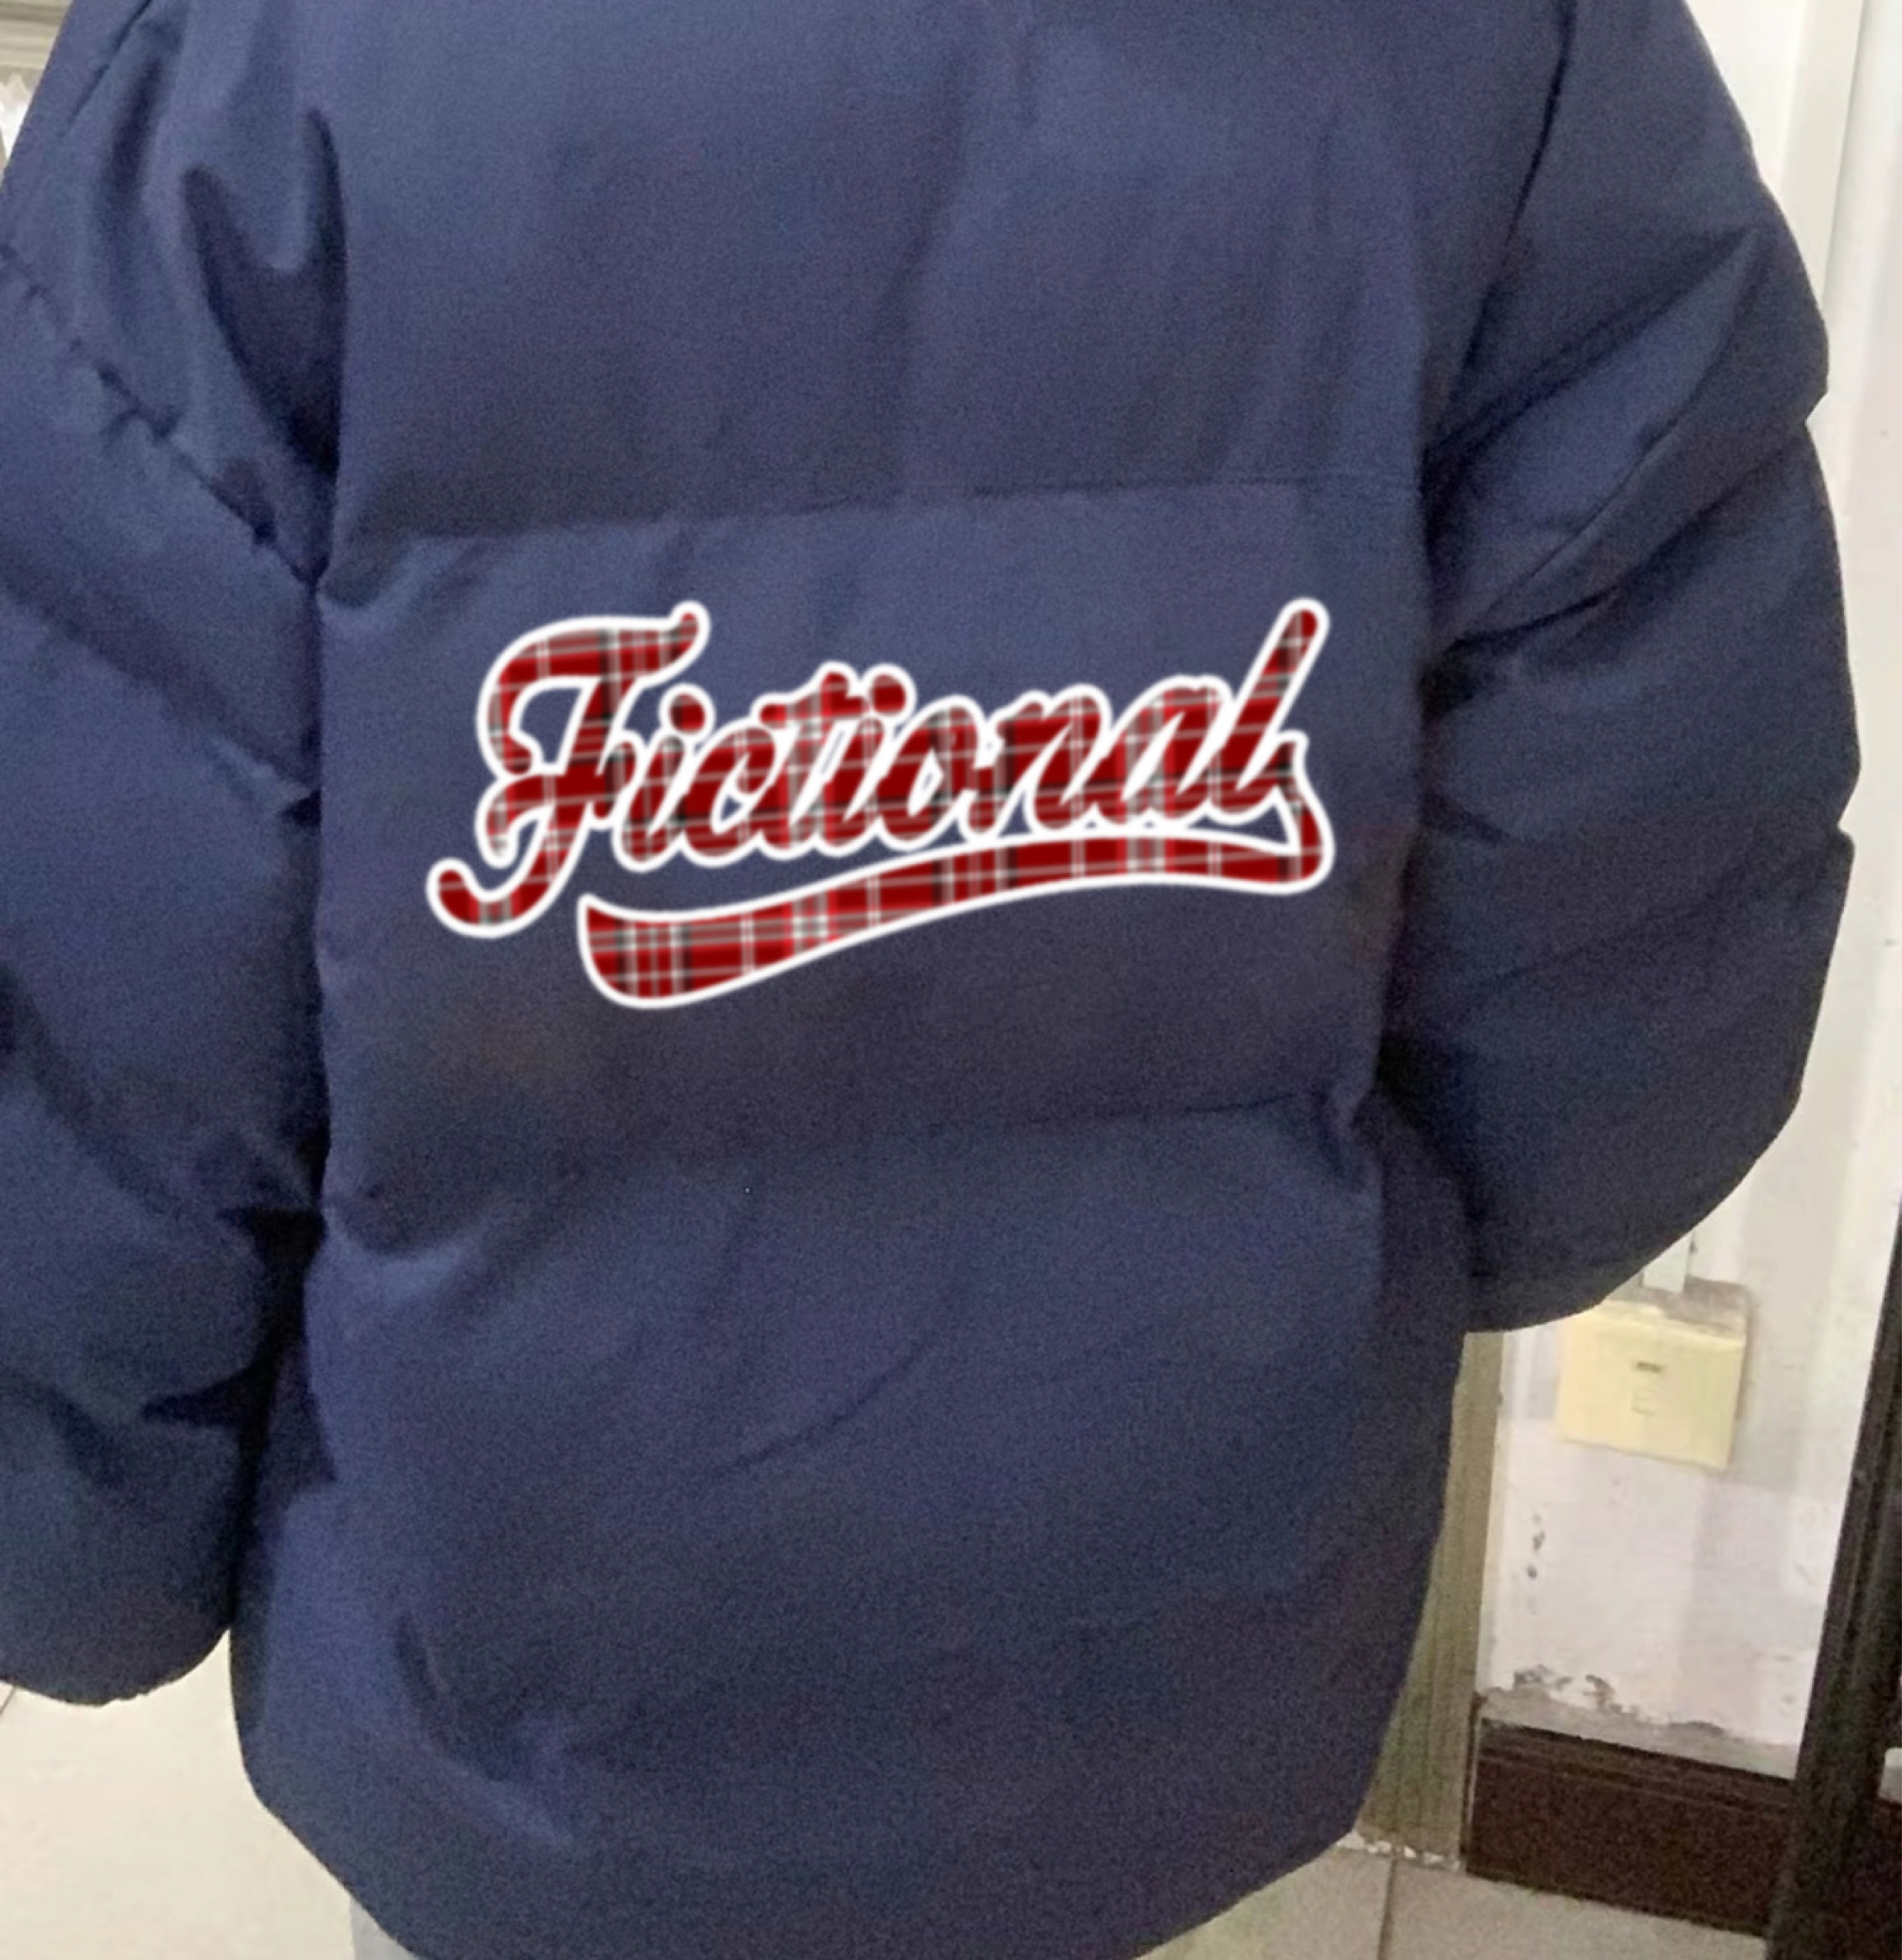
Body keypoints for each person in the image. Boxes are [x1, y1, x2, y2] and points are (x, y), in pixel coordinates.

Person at [0, 1, 1859, 1957]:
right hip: (1183, 1596)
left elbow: (101, 964)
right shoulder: (1519, 49)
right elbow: (1629, 892)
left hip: (508, 1657)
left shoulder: (258, 61)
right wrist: (1408, 1276)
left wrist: (80, 1542)